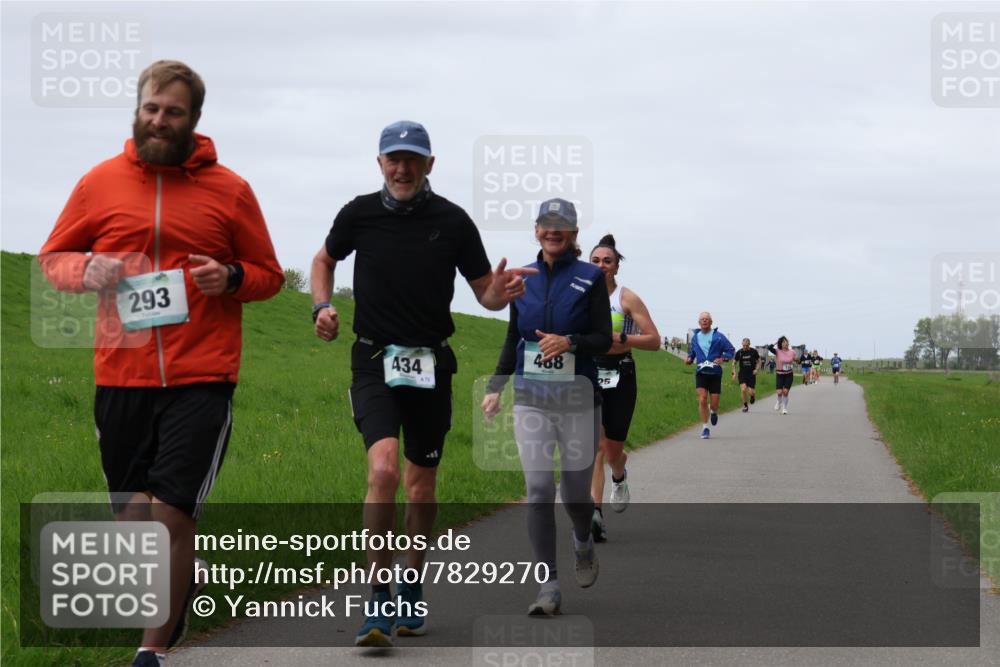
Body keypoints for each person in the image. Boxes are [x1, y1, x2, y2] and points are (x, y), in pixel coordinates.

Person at [38, 60, 284, 667]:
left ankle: (151, 651)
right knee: (133, 519)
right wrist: (83, 269)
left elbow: (269, 276)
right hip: (120, 374)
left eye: (173, 112)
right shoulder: (99, 183)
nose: (159, 120)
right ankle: (183, 580)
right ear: (138, 109)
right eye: (151, 108)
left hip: (202, 374)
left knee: (171, 510)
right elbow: (53, 256)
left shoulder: (231, 190)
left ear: (193, 120)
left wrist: (228, 276)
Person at [311, 121, 534, 647]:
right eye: (394, 158)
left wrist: (501, 294)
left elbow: (484, 294)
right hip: (372, 361)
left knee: (422, 485)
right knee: (383, 468)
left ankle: (411, 582)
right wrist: (321, 305)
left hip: (432, 366)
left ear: (430, 164)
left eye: (413, 158)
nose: (402, 167)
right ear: (380, 162)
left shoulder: (453, 221)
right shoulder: (357, 213)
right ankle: (378, 598)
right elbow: (324, 259)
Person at [482, 198, 611, 616]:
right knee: (538, 489)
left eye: (563, 225)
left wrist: (570, 342)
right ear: (536, 230)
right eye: (546, 224)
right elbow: (512, 338)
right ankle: (548, 586)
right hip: (531, 398)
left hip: (578, 398)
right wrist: (496, 386)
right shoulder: (523, 277)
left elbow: (603, 339)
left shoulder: (590, 277)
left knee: (575, 495)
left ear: (573, 234)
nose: (553, 231)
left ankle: (582, 540)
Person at [588, 234, 660, 542]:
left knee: (613, 450)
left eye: (607, 261)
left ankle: (620, 475)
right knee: (595, 446)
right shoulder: (578, 296)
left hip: (621, 374)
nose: (601, 265)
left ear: (616, 267)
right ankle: (594, 514)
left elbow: (654, 340)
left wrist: (625, 340)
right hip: (588, 373)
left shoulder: (626, 298)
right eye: (595, 261)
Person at [684, 313, 735, 439]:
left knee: (714, 404)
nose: (704, 321)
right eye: (702, 319)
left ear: (711, 322)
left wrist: (723, 358)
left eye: (707, 319)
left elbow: (731, 350)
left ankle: (713, 411)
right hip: (701, 372)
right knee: (702, 399)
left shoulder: (719, 337)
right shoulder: (695, 337)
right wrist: (690, 359)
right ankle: (705, 428)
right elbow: (692, 352)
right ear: (699, 323)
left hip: (715, 373)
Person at [767, 337, 797, 414]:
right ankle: (779, 401)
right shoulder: (777, 351)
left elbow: (796, 359)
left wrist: (797, 360)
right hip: (780, 374)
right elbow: (769, 348)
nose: (785, 343)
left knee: (785, 392)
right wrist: (776, 342)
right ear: (780, 344)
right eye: (783, 342)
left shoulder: (792, 352)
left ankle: (784, 408)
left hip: (789, 374)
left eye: (786, 341)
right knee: (779, 392)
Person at [731, 338, 761, 412]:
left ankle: (752, 396)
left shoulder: (753, 352)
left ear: (749, 345)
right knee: (743, 389)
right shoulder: (739, 352)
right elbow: (734, 363)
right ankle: (745, 406)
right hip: (742, 374)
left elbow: (759, 361)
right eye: (743, 345)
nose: (744, 347)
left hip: (751, 374)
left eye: (746, 345)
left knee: (751, 392)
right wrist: (734, 373)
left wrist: (756, 369)